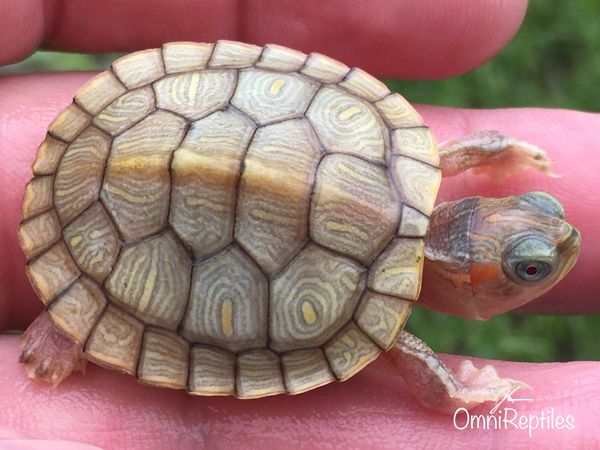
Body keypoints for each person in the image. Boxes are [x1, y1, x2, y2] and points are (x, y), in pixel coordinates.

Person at [0, 1, 598, 448]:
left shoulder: (402, 156)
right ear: (471, 283)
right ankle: (74, 316)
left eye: (530, 262)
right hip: (138, 157)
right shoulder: (380, 320)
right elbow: (411, 358)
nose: (557, 231)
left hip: (147, 113)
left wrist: (493, 150)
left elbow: (453, 156)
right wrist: (456, 397)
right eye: (527, 269)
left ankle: (78, 312)